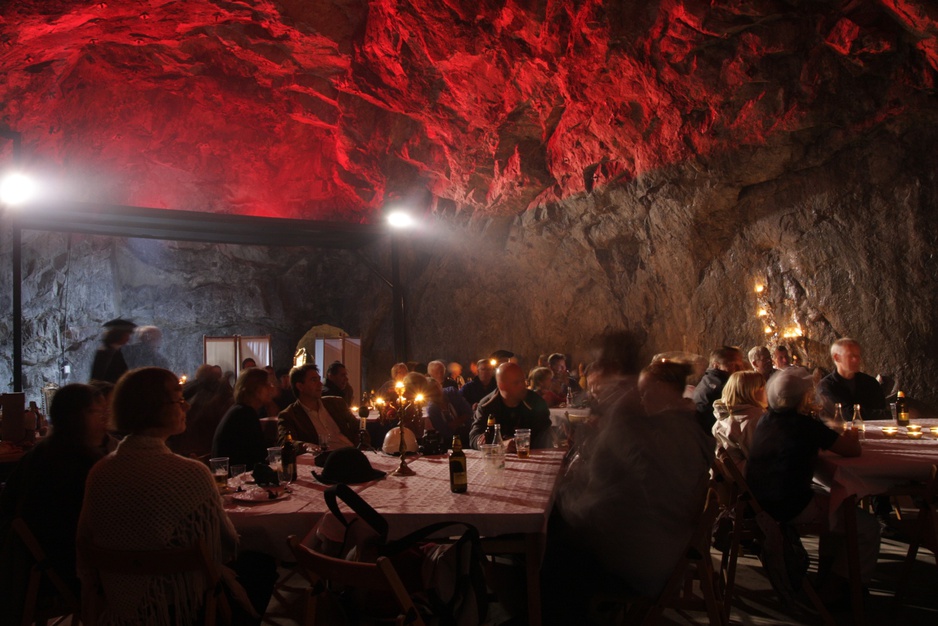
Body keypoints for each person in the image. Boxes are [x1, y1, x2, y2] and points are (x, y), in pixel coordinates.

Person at [77, 367, 275, 624]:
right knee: (262, 565)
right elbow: (225, 546)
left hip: (117, 602)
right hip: (178, 605)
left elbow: (85, 542)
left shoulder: (100, 471)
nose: (188, 407)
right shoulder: (189, 474)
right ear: (154, 408)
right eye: (179, 399)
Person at [544, 359, 712, 621]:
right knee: (561, 539)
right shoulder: (680, 427)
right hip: (660, 546)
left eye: (646, 392)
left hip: (647, 561)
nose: (641, 398)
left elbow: (637, 500)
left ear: (666, 390)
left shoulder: (666, 437)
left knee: (555, 557)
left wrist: (571, 503)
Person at [746, 367, 880, 597]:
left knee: (837, 503)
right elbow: (852, 450)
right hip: (787, 506)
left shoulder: (766, 419)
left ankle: (827, 575)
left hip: (759, 502)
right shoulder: (805, 425)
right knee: (868, 526)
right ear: (804, 396)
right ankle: (843, 586)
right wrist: (848, 435)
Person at [0, 384, 108, 626]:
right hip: (65, 573)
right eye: (96, 413)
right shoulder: (87, 465)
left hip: (28, 571)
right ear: (75, 416)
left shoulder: (36, 456)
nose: (104, 422)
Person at [468, 362, 551, 450]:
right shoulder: (487, 405)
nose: (522, 386)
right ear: (501, 385)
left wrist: (521, 442)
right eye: (516, 383)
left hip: (531, 456)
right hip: (498, 458)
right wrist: (500, 445)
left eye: (523, 381)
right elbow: (474, 438)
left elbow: (545, 434)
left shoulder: (536, 402)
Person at [277, 363, 357, 449]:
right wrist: (306, 446)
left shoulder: (336, 403)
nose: (320, 384)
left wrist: (363, 445)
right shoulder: (289, 415)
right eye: (314, 380)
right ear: (300, 386)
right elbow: (285, 442)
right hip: (325, 459)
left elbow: (359, 427)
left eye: (319, 379)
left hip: (352, 452)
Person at [211, 368, 275, 468]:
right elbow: (259, 456)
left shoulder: (241, 410)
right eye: (267, 384)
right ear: (256, 389)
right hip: (236, 477)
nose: (272, 387)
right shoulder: (245, 414)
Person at [816, 338, 887, 420]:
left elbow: (881, 410)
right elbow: (846, 415)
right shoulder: (825, 387)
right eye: (851, 356)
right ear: (836, 357)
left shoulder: (870, 382)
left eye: (858, 356)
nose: (856, 360)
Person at [711, 371, 767, 473]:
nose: (767, 391)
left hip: (732, 482)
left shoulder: (721, 420)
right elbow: (764, 459)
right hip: (753, 479)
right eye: (763, 387)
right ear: (751, 391)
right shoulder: (754, 420)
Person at [692, 346, 745, 431]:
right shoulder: (722, 387)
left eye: (740, 365)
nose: (740, 369)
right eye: (732, 365)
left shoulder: (709, 379)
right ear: (716, 365)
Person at [425, 377, 473, 445]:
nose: (436, 391)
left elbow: (469, 412)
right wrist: (461, 419)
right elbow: (445, 432)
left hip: (468, 432)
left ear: (440, 385)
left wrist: (451, 425)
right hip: (449, 442)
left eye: (436, 387)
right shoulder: (432, 409)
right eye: (431, 390)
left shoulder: (451, 392)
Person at [90, 318, 136, 383]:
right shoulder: (105, 352)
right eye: (127, 335)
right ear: (119, 335)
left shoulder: (117, 351)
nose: (128, 338)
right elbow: (98, 378)